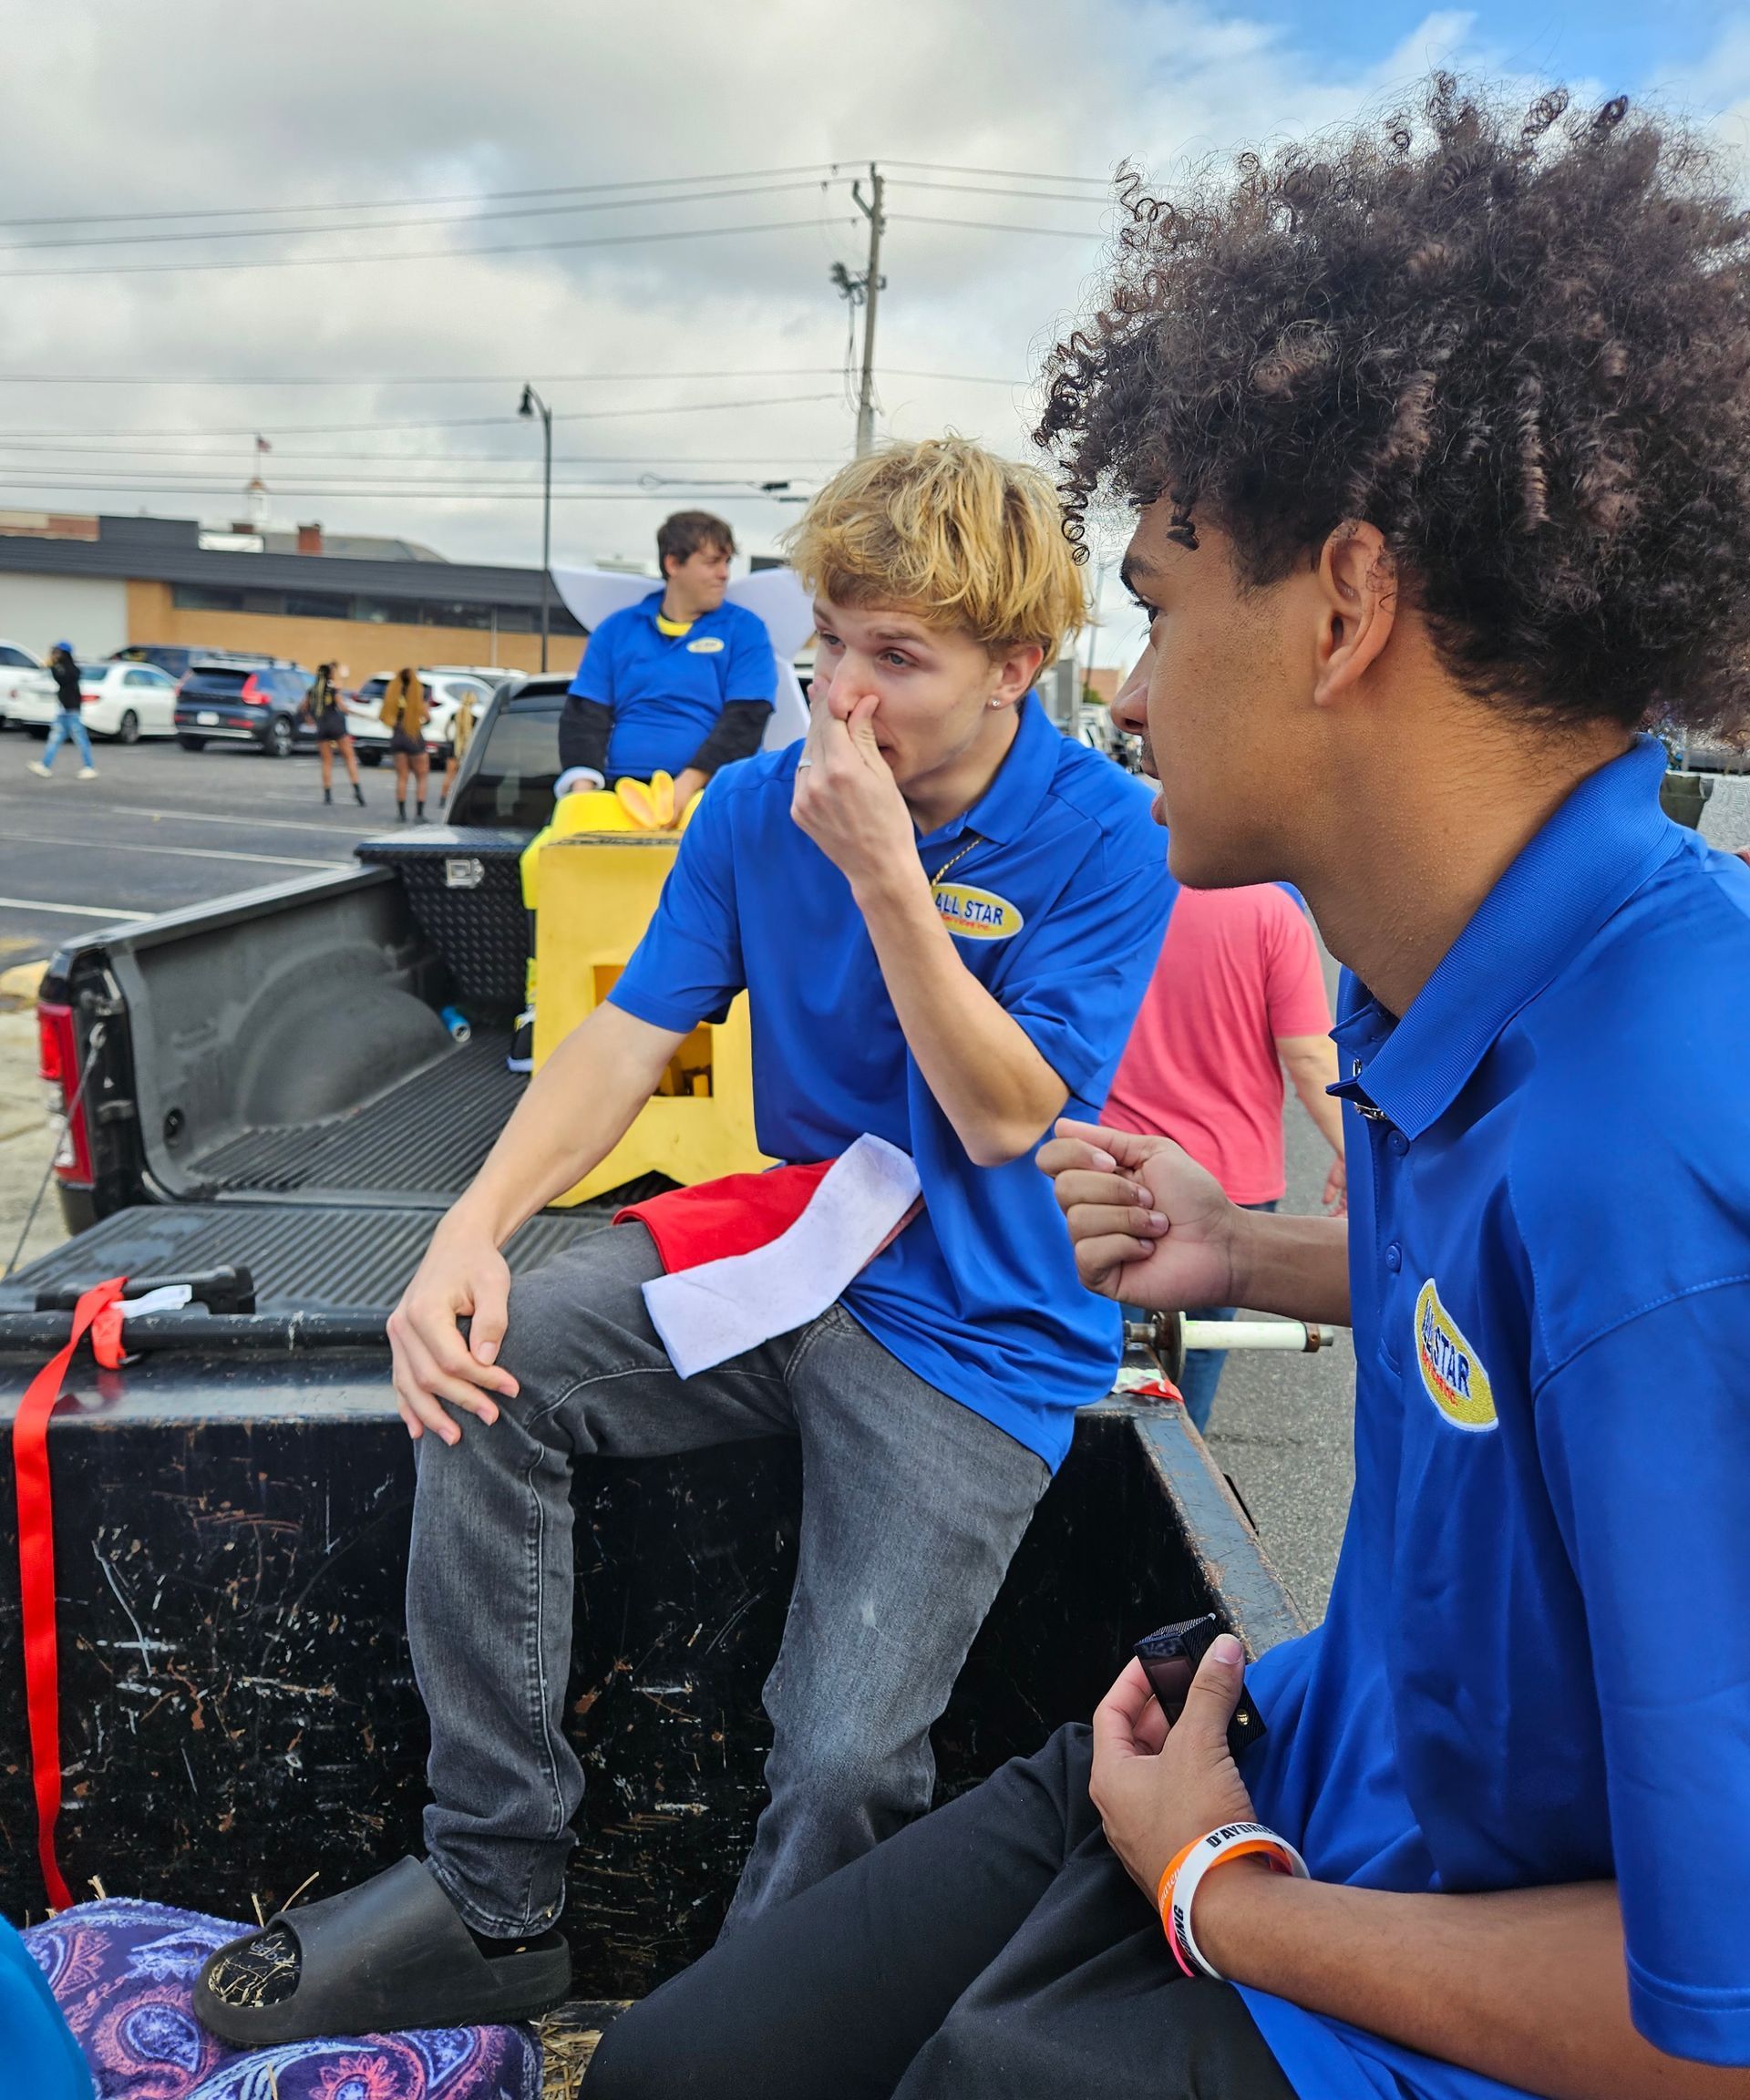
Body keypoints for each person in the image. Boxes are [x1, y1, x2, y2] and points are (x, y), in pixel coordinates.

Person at [583, 81, 1750, 2100]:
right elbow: (1501, 1308)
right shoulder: (1479, 981)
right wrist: (1266, 1254)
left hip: (1383, 1958)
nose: (1124, 688)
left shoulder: (1669, 1149)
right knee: (686, 2067)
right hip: (1295, 1742)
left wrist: (1214, 1886)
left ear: (1346, 608)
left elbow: (1715, 2025)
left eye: (1155, 599)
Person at [193, 436, 1171, 2046]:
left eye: (897, 658)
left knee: (849, 1753)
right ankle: (494, 1886)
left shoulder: (1101, 833)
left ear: (1018, 666)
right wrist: (470, 1228)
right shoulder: (746, 806)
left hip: (983, 1322)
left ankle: (740, 2040)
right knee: (488, 1366)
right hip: (798, 1252)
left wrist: (886, 881)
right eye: (828, 649)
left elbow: (1006, 1111)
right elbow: (625, 1037)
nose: (840, 698)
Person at [1103, 660, 1344, 1431]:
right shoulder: (1272, 911)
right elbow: (1309, 1056)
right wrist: (1354, 1149)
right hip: (1231, 1177)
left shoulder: (1108, 890)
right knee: (1195, 1358)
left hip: (1113, 1166)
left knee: (1096, 1363)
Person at [558, 510, 778, 808]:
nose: (725, 573)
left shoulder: (746, 630)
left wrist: (686, 785)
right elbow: (585, 716)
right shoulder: (615, 630)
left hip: (715, 793)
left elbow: (747, 718)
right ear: (673, 563)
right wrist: (583, 793)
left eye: (727, 562)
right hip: (623, 791)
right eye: (713, 562)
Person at [27, 643, 97, 780]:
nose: (55, 655)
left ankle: (89, 767)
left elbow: (63, 680)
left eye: (58, 652)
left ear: (65, 654)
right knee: (55, 739)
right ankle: (45, 765)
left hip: (72, 711)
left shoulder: (70, 669)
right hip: (64, 710)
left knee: (80, 739)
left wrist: (53, 666)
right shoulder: (63, 668)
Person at [304, 662, 364, 807]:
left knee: (326, 762)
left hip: (322, 727)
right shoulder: (332, 690)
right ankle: (357, 791)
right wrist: (351, 711)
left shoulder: (312, 691)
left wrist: (309, 718)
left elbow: (303, 707)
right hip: (336, 725)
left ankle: (327, 795)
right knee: (349, 758)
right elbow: (342, 707)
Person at [381, 666, 429, 821]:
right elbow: (426, 716)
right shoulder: (416, 694)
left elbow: (383, 716)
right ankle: (419, 813)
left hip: (397, 736)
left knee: (402, 777)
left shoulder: (393, 694)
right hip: (413, 736)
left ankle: (401, 813)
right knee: (422, 775)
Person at [438, 684, 479, 807]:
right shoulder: (475, 718)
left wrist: (449, 740)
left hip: (454, 747)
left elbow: (446, 730)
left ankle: (443, 799)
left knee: (449, 775)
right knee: (465, 776)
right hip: (467, 749)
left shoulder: (454, 715)